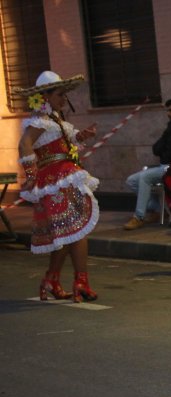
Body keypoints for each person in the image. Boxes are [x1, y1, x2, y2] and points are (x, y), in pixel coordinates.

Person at [16, 71, 99, 302]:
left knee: (70, 232)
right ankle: (79, 282)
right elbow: (24, 145)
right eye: (60, 94)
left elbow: (67, 141)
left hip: (63, 176)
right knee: (76, 228)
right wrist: (31, 174)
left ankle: (52, 280)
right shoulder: (40, 121)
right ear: (45, 97)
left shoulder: (54, 120)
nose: (64, 99)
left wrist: (83, 135)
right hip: (56, 180)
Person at [123, 98, 171, 230]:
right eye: (167, 110)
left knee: (145, 177)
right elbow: (156, 148)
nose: (168, 113)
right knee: (131, 180)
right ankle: (157, 209)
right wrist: (164, 149)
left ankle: (139, 217)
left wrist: (164, 150)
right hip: (164, 165)